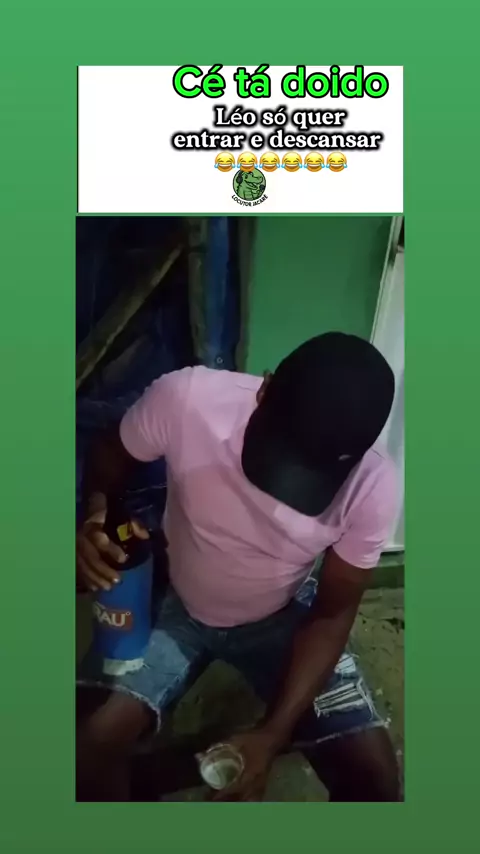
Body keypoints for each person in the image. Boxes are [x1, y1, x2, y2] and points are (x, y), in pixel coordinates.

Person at [76, 332, 400, 802]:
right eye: (281, 455)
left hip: (279, 615)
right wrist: (96, 515)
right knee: (89, 745)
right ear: (262, 389)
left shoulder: (374, 486)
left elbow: (332, 614)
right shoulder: (188, 400)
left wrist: (272, 733)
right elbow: (109, 454)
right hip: (174, 598)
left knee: (376, 781)